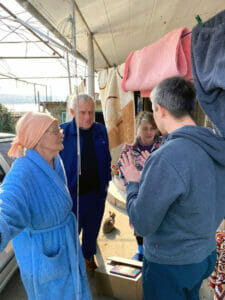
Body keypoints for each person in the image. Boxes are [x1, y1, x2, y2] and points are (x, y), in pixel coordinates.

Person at [120, 76, 225, 300]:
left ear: (161, 109)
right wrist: (150, 179)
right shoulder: (214, 146)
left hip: (171, 264)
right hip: (204, 254)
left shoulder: (166, 157)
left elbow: (142, 223)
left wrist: (133, 183)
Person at [0, 112, 91, 300]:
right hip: (45, 260)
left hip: (65, 248)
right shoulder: (22, 171)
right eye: (54, 130)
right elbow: (6, 205)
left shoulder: (55, 161)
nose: (61, 133)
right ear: (38, 137)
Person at [60, 94, 111, 272]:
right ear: (73, 112)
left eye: (91, 112)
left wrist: (107, 183)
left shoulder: (100, 130)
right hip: (72, 198)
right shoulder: (61, 133)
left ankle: (88, 256)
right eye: (82, 113)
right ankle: (70, 266)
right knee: (70, 234)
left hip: (96, 195)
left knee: (92, 232)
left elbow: (107, 157)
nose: (88, 117)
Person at [118, 111, 162, 261]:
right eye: (145, 128)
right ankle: (140, 250)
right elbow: (121, 170)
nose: (149, 132)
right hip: (137, 193)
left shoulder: (163, 145)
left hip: (160, 194)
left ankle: (156, 251)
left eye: (152, 128)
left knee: (159, 223)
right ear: (138, 128)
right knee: (138, 224)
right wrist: (132, 181)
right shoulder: (129, 147)